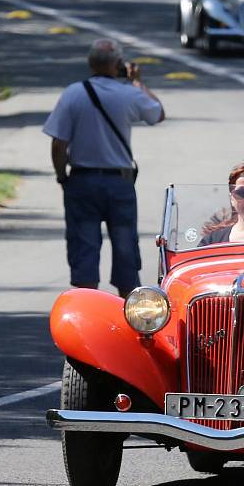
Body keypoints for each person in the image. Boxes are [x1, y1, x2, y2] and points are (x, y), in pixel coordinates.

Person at [43, 38, 165, 298]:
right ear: (118, 64)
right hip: (119, 182)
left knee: (84, 246)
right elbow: (158, 114)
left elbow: (58, 143)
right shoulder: (129, 93)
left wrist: (61, 176)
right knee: (125, 248)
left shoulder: (73, 93)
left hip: (82, 180)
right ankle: (127, 312)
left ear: (90, 63)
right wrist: (137, 81)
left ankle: (88, 307)